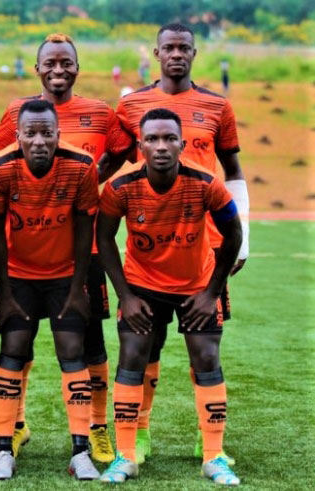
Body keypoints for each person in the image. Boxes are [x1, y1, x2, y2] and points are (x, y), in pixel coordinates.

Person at [0, 33, 134, 463]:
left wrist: (93, 181)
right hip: (28, 254)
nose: (58, 70)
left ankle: (95, 429)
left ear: (78, 68)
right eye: (50, 63)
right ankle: (15, 426)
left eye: (67, 63)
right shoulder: (16, 113)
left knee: (89, 342)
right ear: (37, 68)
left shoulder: (99, 112)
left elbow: (124, 149)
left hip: (84, 250)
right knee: (17, 343)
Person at [109, 23, 249, 464]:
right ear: (156, 53)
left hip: (204, 246)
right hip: (149, 248)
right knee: (144, 345)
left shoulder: (217, 105)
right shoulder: (130, 105)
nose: (176, 55)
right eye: (168, 48)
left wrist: (243, 240)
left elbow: (233, 169)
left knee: (204, 343)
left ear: (194, 53)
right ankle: (140, 435)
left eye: (183, 48)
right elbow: (113, 162)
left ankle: (208, 442)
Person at [97, 108, 242, 486]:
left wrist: (212, 292)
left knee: (207, 355)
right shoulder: (120, 186)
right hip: (143, 284)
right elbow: (103, 239)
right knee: (133, 354)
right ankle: (126, 454)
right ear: (141, 145)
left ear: (181, 143)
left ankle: (213, 456)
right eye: (152, 139)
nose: (161, 146)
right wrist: (125, 296)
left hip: (197, 283)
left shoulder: (206, 181)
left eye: (169, 139)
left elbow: (234, 234)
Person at [0, 99, 100, 480]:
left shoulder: (81, 165)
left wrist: (79, 286)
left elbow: (85, 227)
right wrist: (4, 293)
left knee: (71, 349)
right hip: (19, 277)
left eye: (46, 132)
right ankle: (3, 450)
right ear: (17, 136)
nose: (38, 140)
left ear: (58, 134)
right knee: (13, 348)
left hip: (64, 276)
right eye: (30, 133)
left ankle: (81, 451)